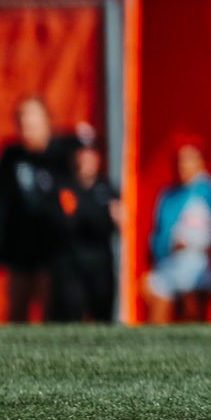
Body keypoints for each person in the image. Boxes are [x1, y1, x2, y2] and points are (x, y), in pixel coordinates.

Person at [0, 96, 67, 322]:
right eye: (23, 123)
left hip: (55, 253)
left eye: (32, 122)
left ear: (47, 122)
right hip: (20, 252)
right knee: (17, 314)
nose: (27, 129)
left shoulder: (62, 155)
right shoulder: (11, 156)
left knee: (54, 313)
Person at [142, 142, 211, 325]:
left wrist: (195, 244)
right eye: (181, 161)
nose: (184, 166)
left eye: (189, 160)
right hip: (167, 264)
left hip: (196, 265)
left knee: (191, 313)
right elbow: (158, 233)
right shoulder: (168, 197)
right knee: (157, 313)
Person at [49, 138, 119, 323]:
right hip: (72, 264)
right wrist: (97, 213)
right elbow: (66, 222)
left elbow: (111, 225)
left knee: (102, 314)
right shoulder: (65, 187)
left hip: (100, 264)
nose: (87, 159)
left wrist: (85, 212)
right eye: (83, 154)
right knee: (71, 314)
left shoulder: (106, 189)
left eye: (91, 154)